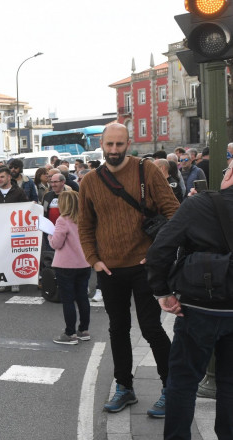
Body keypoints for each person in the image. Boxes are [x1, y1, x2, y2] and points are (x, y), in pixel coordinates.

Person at [78, 122, 179, 414]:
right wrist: (93, 260)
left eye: (119, 145)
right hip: (109, 270)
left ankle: (171, 388)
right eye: (109, 145)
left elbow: (173, 212)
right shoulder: (89, 182)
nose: (113, 150)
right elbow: (85, 225)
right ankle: (124, 387)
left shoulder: (145, 170)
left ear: (128, 143)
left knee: (151, 328)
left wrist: (159, 254)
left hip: (145, 266)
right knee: (118, 329)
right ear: (102, 144)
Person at [143, 166, 233, 440]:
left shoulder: (199, 204)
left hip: (198, 308)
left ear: (231, 175)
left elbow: (160, 251)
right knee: (231, 382)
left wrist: (163, 293)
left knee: (182, 381)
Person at [48, 191, 91, 345]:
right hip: (84, 263)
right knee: (82, 298)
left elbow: (56, 244)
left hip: (65, 265)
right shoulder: (84, 219)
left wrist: (49, 235)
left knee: (68, 300)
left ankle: (70, 333)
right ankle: (83, 330)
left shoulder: (63, 220)